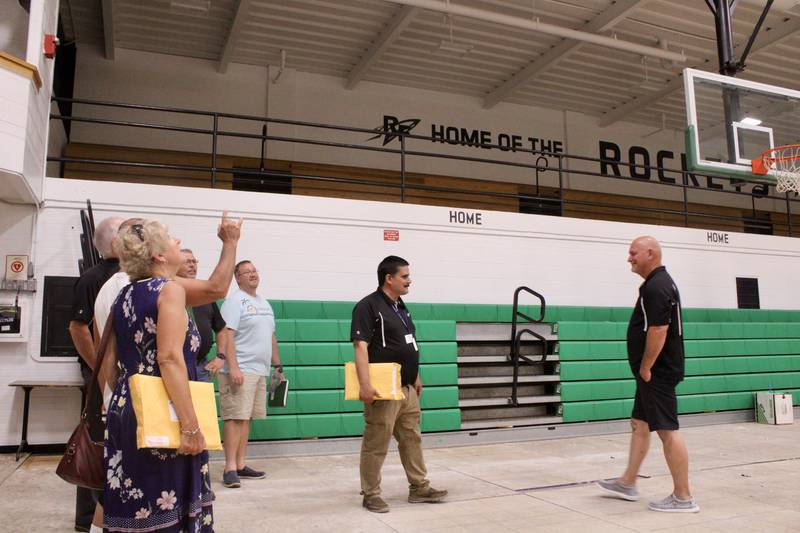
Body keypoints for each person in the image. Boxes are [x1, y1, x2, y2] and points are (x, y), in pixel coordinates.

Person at [101, 220, 213, 532]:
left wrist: (132, 399)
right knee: (168, 500)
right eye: (172, 239)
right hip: (166, 410)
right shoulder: (170, 290)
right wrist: (190, 426)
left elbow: (109, 364)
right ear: (159, 255)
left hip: (128, 407)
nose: (178, 240)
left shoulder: (123, 294)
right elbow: (169, 357)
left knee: (135, 503)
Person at [597, 236, 699, 513]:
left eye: (633, 253)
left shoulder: (656, 286)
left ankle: (683, 497)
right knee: (639, 423)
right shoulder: (658, 283)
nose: (629, 258)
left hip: (657, 372)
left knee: (668, 430)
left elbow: (658, 329)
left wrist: (646, 367)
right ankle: (627, 483)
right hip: (654, 372)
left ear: (650, 254)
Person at [350, 255, 447, 513]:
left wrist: (415, 375)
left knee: (411, 438)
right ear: (388, 278)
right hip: (383, 388)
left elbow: (408, 342)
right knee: (376, 442)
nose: (409, 280)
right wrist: (365, 384)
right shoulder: (367, 306)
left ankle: (419, 488)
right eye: (404, 276)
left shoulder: (400, 306)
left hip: (406, 388)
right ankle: (370, 494)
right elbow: (360, 347)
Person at [68, 215, 123, 533]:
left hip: (118, 374)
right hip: (100, 374)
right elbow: (77, 327)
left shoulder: (131, 277)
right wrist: (99, 368)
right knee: (95, 444)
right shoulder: (93, 279)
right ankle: (86, 519)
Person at [218, 260, 282, 488]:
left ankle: (241, 464)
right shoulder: (234, 302)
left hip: (259, 370)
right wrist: (233, 366)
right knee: (235, 417)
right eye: (247, 272)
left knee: (246, 418)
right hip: (240, 368)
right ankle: (229, 468)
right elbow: (227, 335)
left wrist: (278, 365)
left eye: (254, 270)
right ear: (238, 278)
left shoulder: (263, 302)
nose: (253, 274)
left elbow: (271, 335)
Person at [176, 248, 229, 382]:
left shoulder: (205, 296)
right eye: (187, 262)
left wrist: (221, 357)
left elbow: (221, 329)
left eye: (194, 261)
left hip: (201, 367)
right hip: (176, 367)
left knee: (202, 404)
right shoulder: (165, 292)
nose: (192, 265)